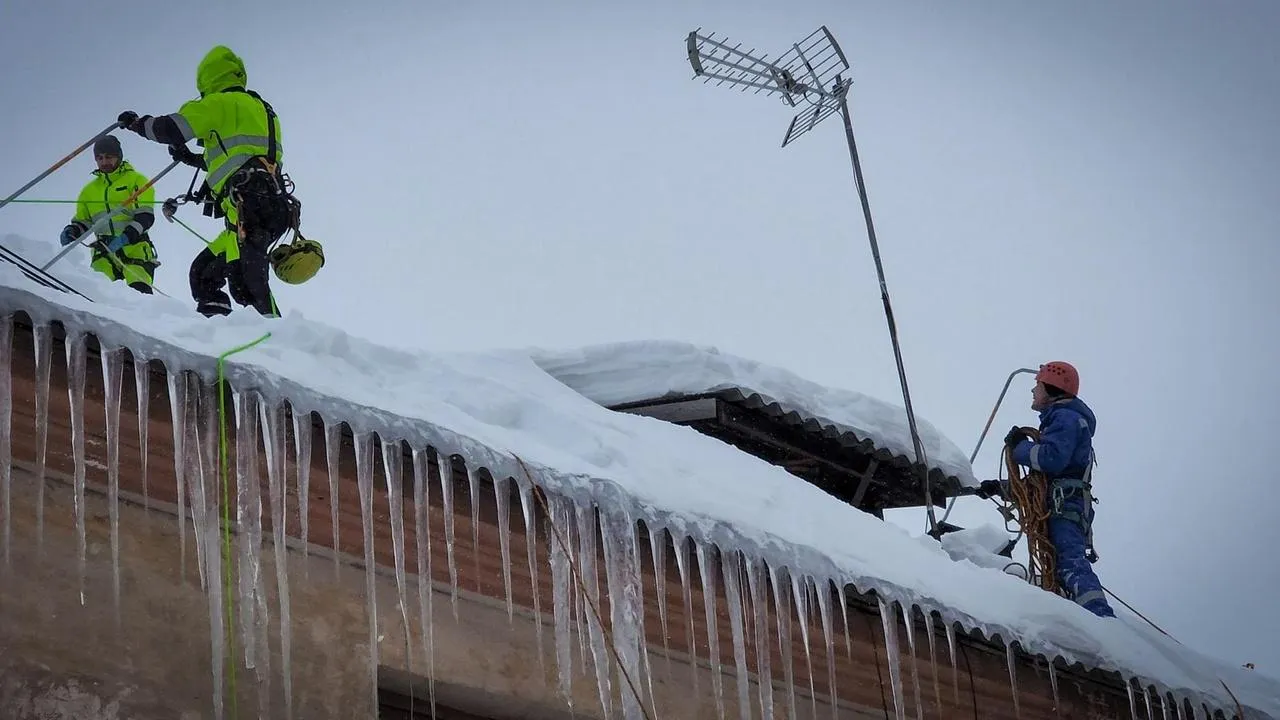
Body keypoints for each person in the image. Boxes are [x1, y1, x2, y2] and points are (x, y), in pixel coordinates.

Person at [116, 45, 321, 318]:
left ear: (207, 81)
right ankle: (220, 332)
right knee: (204, 273)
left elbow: (171, 128)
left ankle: (275, 341)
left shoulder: (218, 103)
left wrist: (137, 123)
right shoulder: (263, 109)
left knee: (248, 284)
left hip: (251, 207)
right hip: (266, 205)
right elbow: (238, 158)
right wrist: (192, 158)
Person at [983, 361, 1115, 618]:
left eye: (1037, 386)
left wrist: (1019, 448)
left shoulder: (1066, 417)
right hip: (1060, 501)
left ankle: (1102, 620)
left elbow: (1051, 459)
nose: (1033, 391)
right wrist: (1000, 488)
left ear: (1052, 387)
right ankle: (1078, 615)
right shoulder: (1061, 420)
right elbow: (1040, 483)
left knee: (1069, 563)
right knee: (1059, 568)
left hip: (1064, 505)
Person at [58, 134, 158, 294]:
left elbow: (145, 217)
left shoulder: (137, 180)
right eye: (100, 158)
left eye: (109, 157)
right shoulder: (88, 191)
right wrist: (73, 231)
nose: (104, 162)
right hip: (103, 252)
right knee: (98, 293)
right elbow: (84, 222)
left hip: (135, 248)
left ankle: (140, 318)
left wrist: (126, 236)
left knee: (139, 295)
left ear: (119, 156)